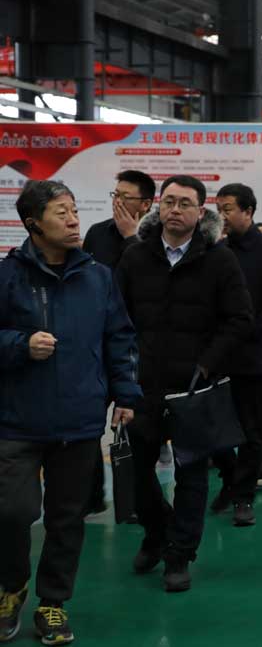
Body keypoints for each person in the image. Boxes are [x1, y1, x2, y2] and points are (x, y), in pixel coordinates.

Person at [0, 181, 142, 646]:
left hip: (79, 419)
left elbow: (119, 338)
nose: (73, 219)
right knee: (12, 512)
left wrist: (125, 394)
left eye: (74, 210)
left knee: (66, 518)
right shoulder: (8, 276)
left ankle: (53, 602)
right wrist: (20, 345)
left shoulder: (98, 276)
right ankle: (11, 586)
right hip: (16, 420)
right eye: (60, 212)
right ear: (33, 224)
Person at [116, 174, 252, 592]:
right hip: (143, 386)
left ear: (200, 210)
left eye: (185, 203)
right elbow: (116, 317)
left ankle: (179, 553)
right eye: (169, 201)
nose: (175, 210)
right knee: (138, 475)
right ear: (159, 206)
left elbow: (239, 319)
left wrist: (207, 365)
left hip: (195, 388)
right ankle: (156, 533)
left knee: (192, 473)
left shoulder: (219, 259)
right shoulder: (136, 256)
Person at [210, 184, 262, 526]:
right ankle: (231, 479)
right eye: (219, 209)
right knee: (209, 429)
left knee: (251, 432)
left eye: (228, 209)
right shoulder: (216, 250)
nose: (222, 216)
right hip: (217, 356)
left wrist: (249, 330)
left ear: (248, 211)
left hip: (254, 357)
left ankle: (243, 496)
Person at [80, 169, 156, 512]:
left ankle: (139, 503)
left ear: (146, 204)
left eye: (125, 197)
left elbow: (150, 285)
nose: (117, 202)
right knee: (89, 424)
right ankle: (91, 497)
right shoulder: (97, 233)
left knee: (136, 428)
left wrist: (131, 238)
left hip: (139, 347)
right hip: (97, 342)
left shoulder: (156, 237)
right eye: (115, 195)